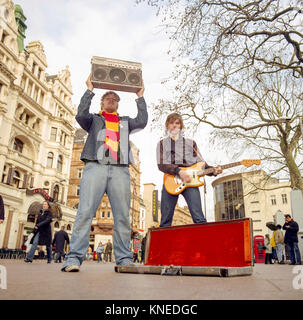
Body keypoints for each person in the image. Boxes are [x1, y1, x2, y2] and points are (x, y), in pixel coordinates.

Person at [61, 74, 147, 272]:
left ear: (118, 103)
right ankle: (73, 259)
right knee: (85, 212)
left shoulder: (125, 122)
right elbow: (80, 114)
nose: (111, 100)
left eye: (115, 98)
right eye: (107, 97)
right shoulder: (93, 120)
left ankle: (124, 259)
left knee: (123, 216)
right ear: (102, 101)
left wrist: (140, 96)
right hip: (95, 166)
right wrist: (90, 89)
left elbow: (142, 121)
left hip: (119, 169)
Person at [156, 113, 222, 227]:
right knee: (165, 221)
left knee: (199, 218)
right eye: (171, 123)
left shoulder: (191, 143)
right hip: (171, 181)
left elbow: (202, 165)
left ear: (181, 126)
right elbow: (161, 164)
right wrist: (179, 171)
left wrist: (213, 171)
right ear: (167, 125)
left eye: (177, 123)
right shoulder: (162, 143)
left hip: (190, 182)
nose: (174, 126)